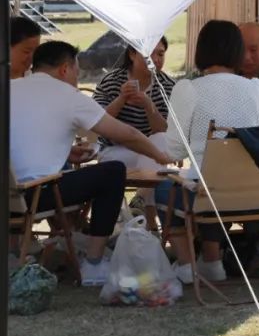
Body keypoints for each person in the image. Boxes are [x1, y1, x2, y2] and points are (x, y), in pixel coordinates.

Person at [11, 41, 172, 286]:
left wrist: (66, 154)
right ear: (65, 69)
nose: (77, 77)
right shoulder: (69, 96)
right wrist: (162, 156)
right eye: (77, 71)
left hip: (10, 194)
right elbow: (126, 134)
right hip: (36, 195)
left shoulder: (10, 88)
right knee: (112, 173)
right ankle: (94, 263)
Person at [158, 20, 259, 284]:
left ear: (200, 51)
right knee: (207, 182)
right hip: (257, 194)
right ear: (237, 51)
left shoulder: (188, 89)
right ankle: (211, 260)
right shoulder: (258, 89)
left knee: (164, 190)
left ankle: (196, 263)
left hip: (210, 195)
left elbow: (173, 149)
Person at [92, 38, 173, 170]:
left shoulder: (167, 86)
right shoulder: (112, 81)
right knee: (154, 160)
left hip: (152, 150)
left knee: (161, 141)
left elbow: (164, 131)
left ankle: (145, 191)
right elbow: (97, 121)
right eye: (149, 54)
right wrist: (121, 98)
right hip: (114, 149)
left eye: (160, 54)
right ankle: (150, 189)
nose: (155, 60)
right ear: (132, 54)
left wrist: (148, 105)